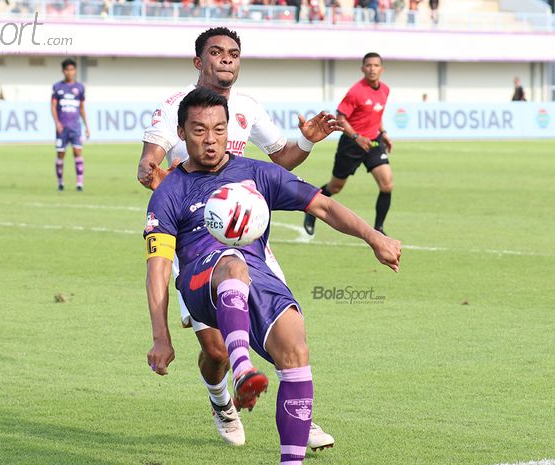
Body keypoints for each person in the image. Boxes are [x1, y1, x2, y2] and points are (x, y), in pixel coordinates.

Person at [144, 87, 402, 464]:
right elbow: (159, 267)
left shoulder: (256, 173)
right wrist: (161, 337)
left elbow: (324, 206)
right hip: (201, 279)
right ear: (182, 133)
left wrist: (373, 237)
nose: (210, 140)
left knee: (295, 345)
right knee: (231, 264)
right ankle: (242, 367)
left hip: (255, 275)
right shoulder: (170, 192)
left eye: (218, 130)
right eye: (199, 131)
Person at [137, 27, 340, 450]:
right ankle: (220, 399)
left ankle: (298, 410)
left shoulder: (247, 108)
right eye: (216, 52)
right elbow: (149, 162)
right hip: (195, 244)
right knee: (217, 351)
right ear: (199, 62)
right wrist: (154, 174)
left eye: (233, 53)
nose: (226, 60)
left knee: (280, 329)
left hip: (249, 240)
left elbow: (281, 157)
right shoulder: (175, 109)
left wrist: (307, 140)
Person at [304, 52, 394, 236]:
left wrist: (383, 133)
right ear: (363, 69)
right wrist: (356, 138)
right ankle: (311, 212)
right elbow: (340, 118)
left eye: (376, 65)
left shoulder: (385, 90)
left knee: (387, 185)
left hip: (373, 142)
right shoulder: (356, 92)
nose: (372, 69)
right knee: (336, 186)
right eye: (368, 65)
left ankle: (379, 229)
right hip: (351, 144)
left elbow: (377, 114)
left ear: (381, 69)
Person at [51, 58, 90, 192]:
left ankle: (80, 183)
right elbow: (53, 107)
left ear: (75, 71)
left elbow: (82, 108)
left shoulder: (79, 88)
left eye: (72, 69)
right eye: (67, 69)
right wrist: (57, 123)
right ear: (63, 71)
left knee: (77, 152)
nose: (70, 72)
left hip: (75, 127)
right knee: (60, 154)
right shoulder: (57, 87)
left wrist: (86, 127)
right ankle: (60, 183)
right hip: (62, 127)